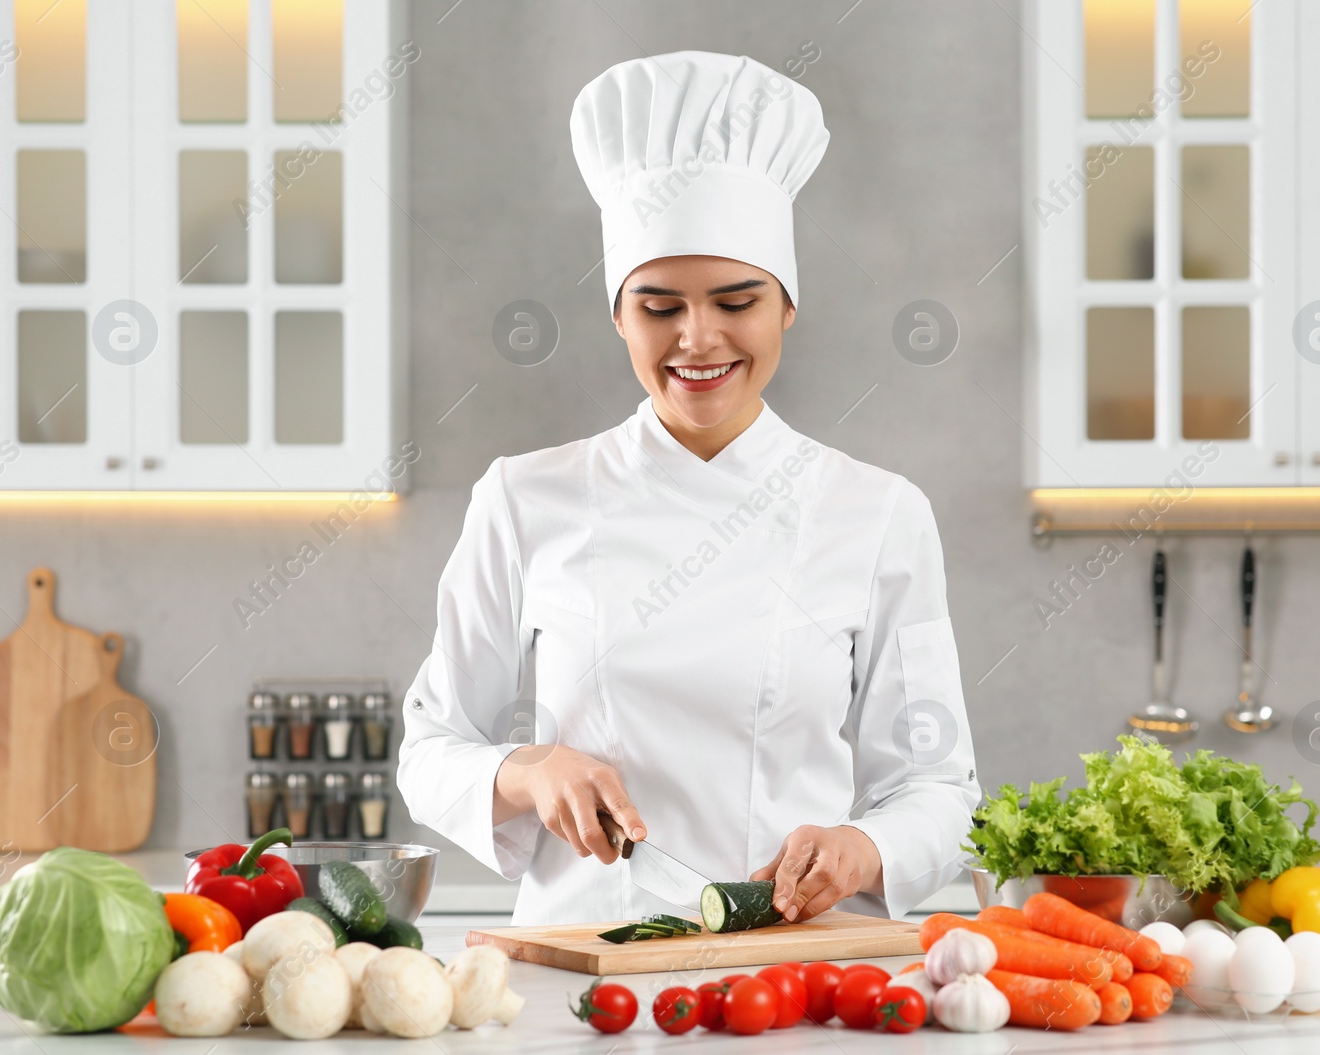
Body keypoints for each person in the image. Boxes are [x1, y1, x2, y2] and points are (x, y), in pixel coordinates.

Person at [399, 50, 978, 926]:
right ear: (617, 313)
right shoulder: (525, 498)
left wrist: (865, 847)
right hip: (580, 973)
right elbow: (432, 750)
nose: (697, 340)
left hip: (787, 979)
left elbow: (938, 784)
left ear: (787, 306)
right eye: (660, 306)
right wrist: (529, 770)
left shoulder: (880, 514)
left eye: (736, 301)